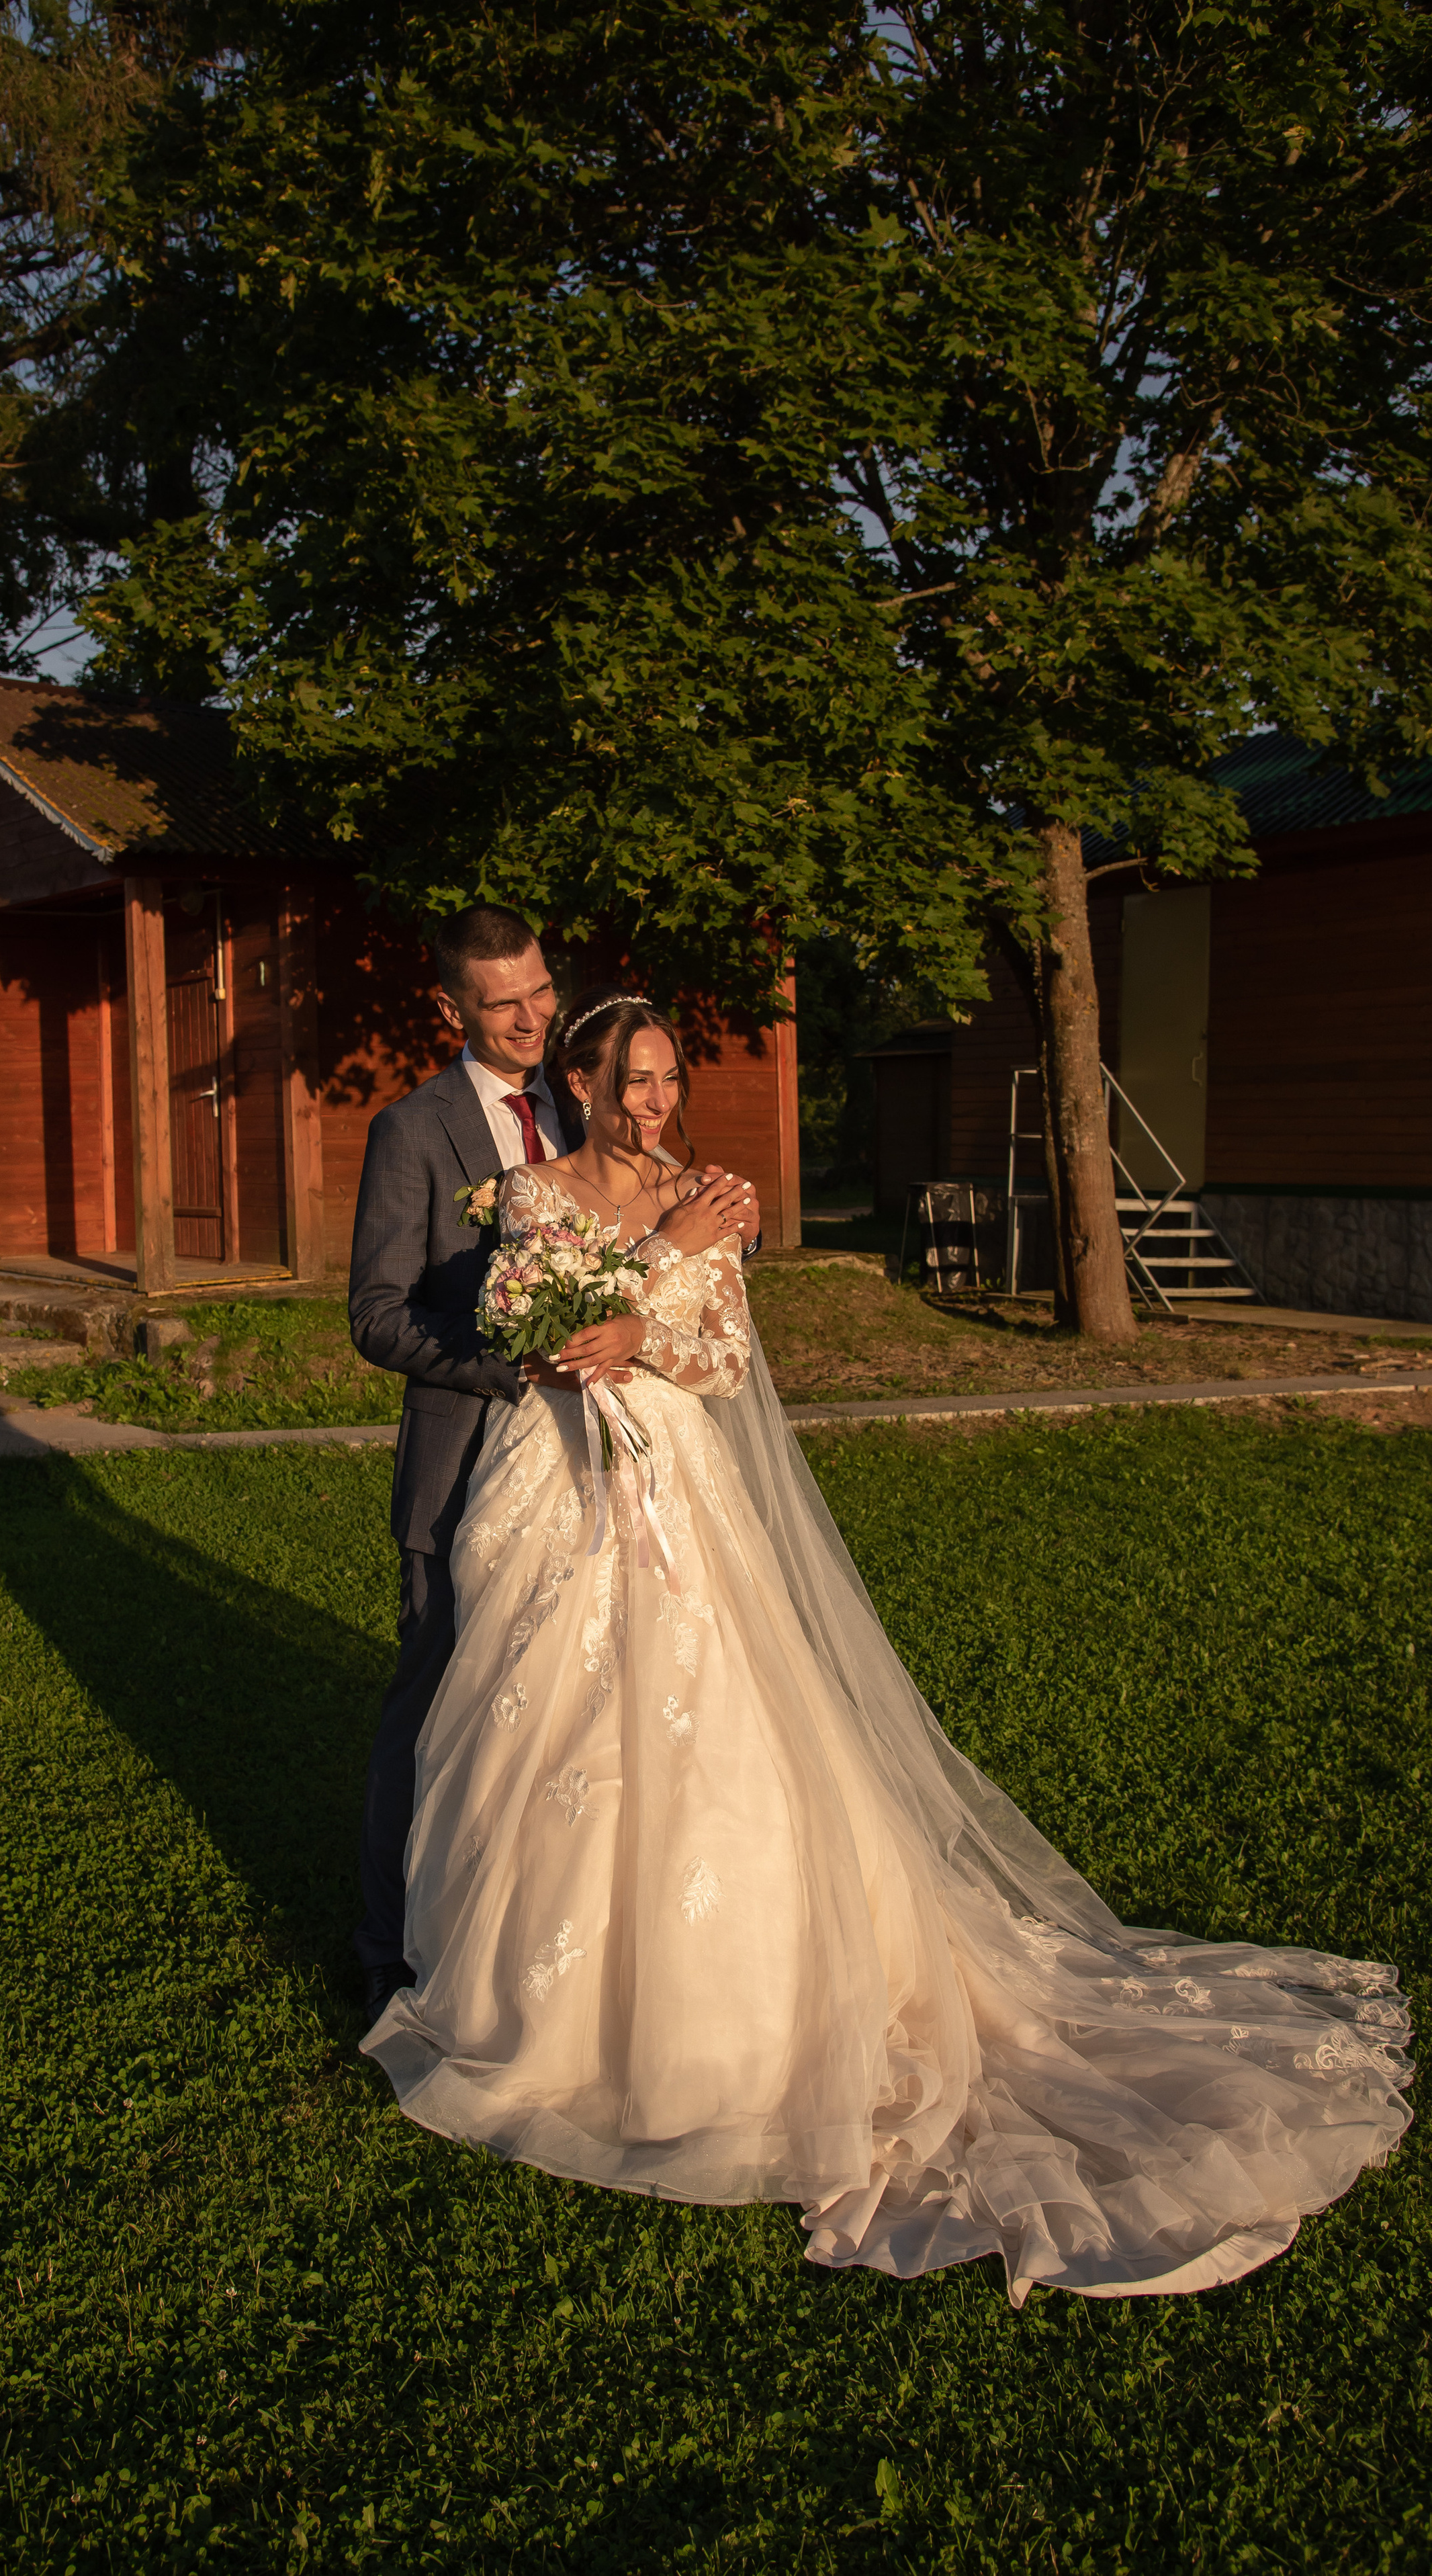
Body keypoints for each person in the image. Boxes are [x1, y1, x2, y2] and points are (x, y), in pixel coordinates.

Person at [361, 989, 1413, 2306]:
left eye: (666, 1077)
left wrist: (671, 1284)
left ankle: (721, 2025)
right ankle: (538, 2017)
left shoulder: (713, 1193)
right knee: (545, 1724)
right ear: (576, 1084)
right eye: (629, 1079)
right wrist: (639, 1277)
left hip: (673, 1485)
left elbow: (724, 1362)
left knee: (711, 1733)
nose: (652, 1101)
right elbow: (542, 1338)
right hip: (556, 1484)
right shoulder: (530, 1200)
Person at [347, 910, 760, 2022]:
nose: (528, 1018)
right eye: (501, 1003)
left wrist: (711, 1233)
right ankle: (396, 1947)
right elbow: (378, 1315)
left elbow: (700, 1289)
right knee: (446, 1695)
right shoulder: (413, 1130)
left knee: (616, 1702)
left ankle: (589, 1937)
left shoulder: (636, 1127)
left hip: (634, 1463)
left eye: (539, 994)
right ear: (453, 1011)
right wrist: (522, 1360)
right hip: (481, 1451)